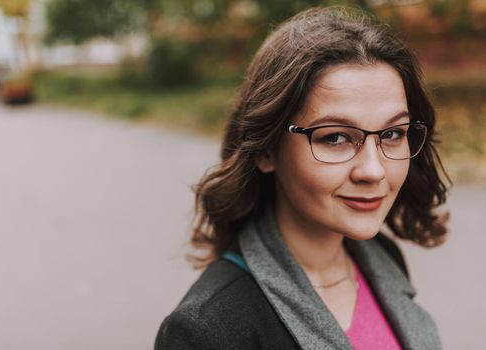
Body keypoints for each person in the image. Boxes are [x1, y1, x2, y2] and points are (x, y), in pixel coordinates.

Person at [155, 6, 449, 350]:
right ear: (266, 150)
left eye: (392, 134)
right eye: (336, 138)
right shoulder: (207, 329)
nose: (374, 170)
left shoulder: (380, 255)